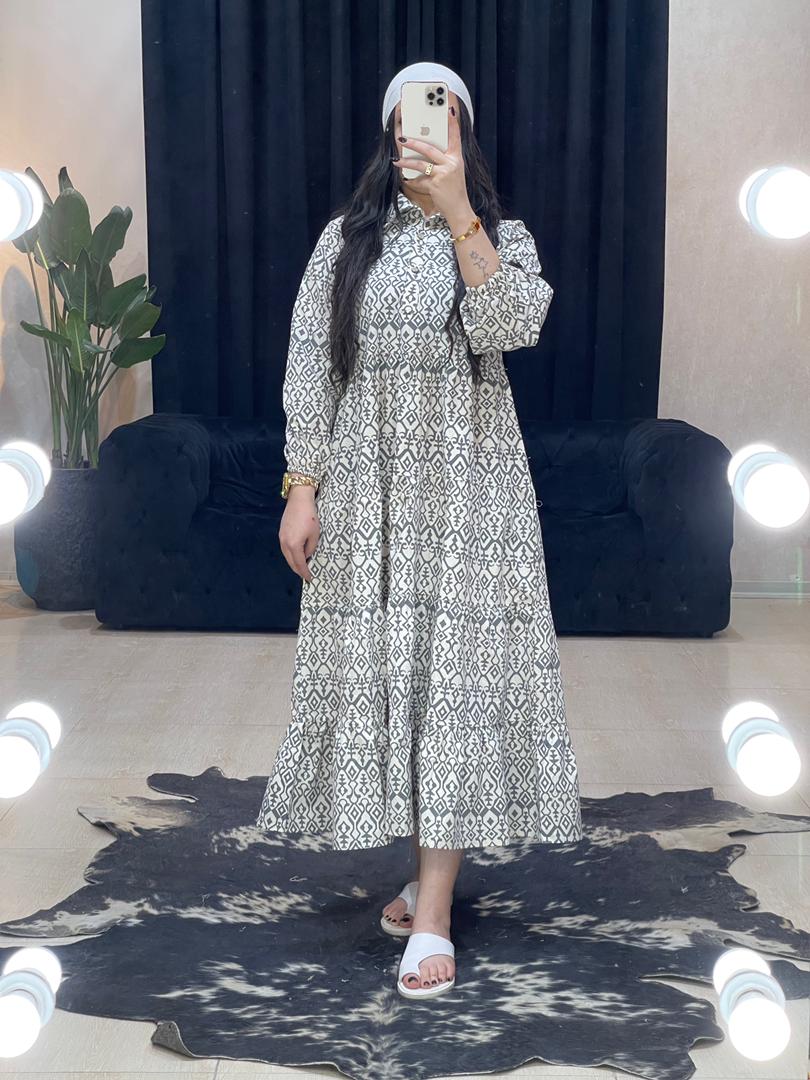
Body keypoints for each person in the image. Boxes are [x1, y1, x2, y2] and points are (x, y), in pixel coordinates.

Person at [255, 61, 583, 1000]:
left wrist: (459, 215)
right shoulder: (345, 240)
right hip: (368, 493)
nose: (423, 137)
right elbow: (311, 363)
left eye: (440, 122)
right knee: (393, 683)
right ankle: (422, 874)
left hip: (471, 495)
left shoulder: (499, 236)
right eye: (408, 123)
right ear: (388, 135)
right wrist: (302, 487)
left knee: (455, 690)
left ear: (462, 134)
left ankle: (433, 910)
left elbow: (512, 326)